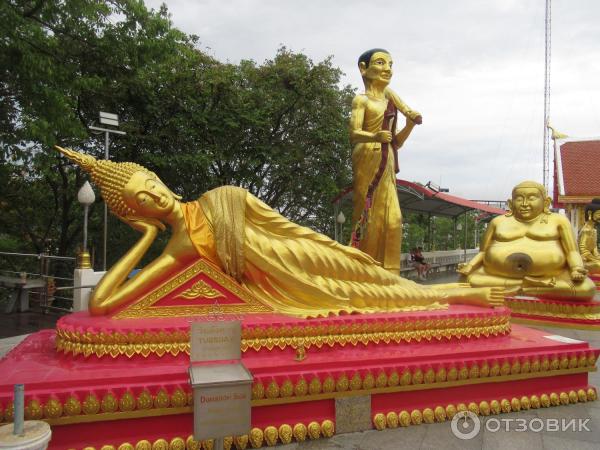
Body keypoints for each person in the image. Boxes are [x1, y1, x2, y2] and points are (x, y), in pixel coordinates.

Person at [55, 146, 504, 317]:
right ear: (138, 212)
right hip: (291, 288)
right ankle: (460, 296)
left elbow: (284, 226)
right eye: (142, 201)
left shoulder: (223, 196)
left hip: (304, 254)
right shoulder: (178, 246)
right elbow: (102, 304)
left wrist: (331, 244)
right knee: (372, 300)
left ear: (157, 177)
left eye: (150, 184)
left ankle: (457, 294)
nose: (155, 196)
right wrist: (146, 237)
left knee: (377, 278)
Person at [458, 181, 596, 300]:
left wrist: (576, 269)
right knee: (466, 280)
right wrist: (469, 266)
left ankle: (521, 289)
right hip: (497, 274)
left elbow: (572, 251)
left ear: (546, 202)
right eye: (519, 199)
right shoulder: (498, 222)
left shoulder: (558, 220)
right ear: (511, 204)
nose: (524, 204)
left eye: (531, 198)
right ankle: (529, 287)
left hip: (550, 276)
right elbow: (483, 252)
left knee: (585, 288)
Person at [349, 49, 422, 273]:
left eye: (390, 64)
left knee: (393, 219)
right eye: (380, 63)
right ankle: (362, 269)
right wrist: (375, 136)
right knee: (368, 215)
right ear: (364, 68)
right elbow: (354, 133)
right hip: (368, 156)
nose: (387, 68)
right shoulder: (362, 100)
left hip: (387, 157)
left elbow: (395, 142)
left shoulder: (390, 99)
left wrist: (409, 123)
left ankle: (391, 275)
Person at [579, 198, 600, 274]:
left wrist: (597, 257)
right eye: (599, 214)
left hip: (592, 258)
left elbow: (594, 248)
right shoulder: (586, 230)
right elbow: (583, 250)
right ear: (590, 213)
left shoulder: (593, 230)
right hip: (584, 259)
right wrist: (595, 259)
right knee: (598, 265)